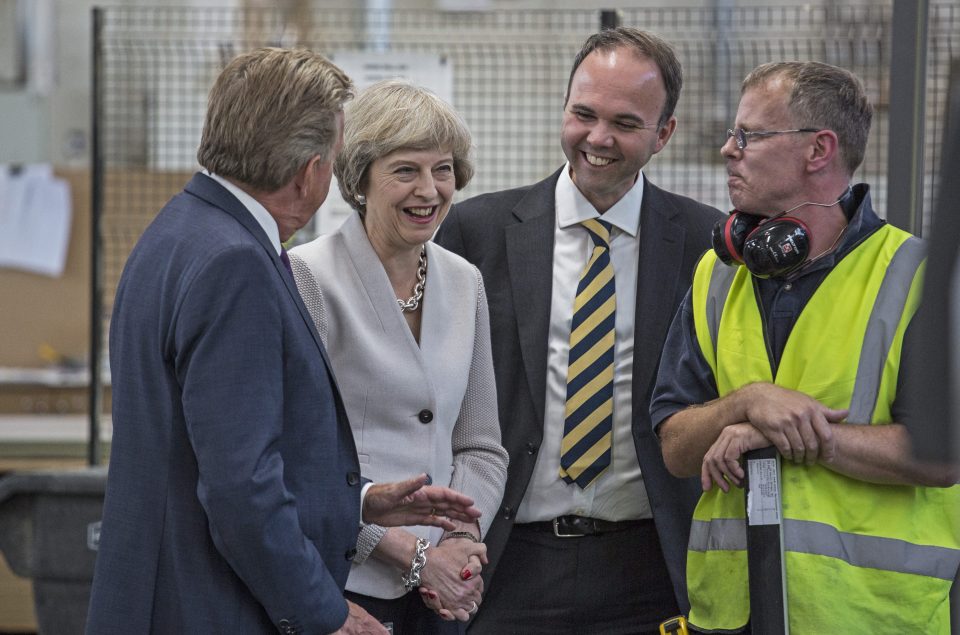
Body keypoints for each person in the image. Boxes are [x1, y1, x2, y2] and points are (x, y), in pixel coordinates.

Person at [86, 48, 482, 635]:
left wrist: (356, 503)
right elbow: (242, 489)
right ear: (310, 172)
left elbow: (210, 450)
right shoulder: (237, 265)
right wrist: (325, 612)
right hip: (207, 603)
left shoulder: (177, 230)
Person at [652, 61, 960, 633]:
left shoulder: (917, 277)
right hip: (732, 616)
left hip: (869, 618)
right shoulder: (717, 277)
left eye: (749, 135)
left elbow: (940, 457)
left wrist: (772, 433)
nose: (727, 149)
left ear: (819, 149)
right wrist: (745, 402)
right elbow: (674, 447)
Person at [435, 27, 722, 634]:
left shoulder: (707, 247)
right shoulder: (475, 234)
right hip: (505, 563)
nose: (597, 138)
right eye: (583, 114)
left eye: (624, 122)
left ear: (663, 133)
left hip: (650, 571)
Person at [289, 79, 509, 634]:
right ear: (360, 179)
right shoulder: (307, 276)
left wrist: (460, 540)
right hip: (345, 585)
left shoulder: (465, 281)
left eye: (443, 170)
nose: (429, 190)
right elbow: (299, 462)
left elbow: (481, 445)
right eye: (405, 170)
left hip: (446, 588)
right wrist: (411, 556)